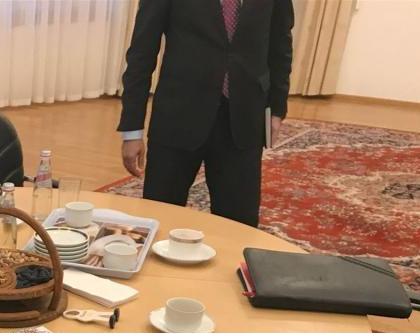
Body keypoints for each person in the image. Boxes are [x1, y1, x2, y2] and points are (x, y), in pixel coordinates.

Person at [117, 0, 294, 227]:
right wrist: (132, 129)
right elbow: (142, 52)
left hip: (243, 119)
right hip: (178, 117)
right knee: (160, 220)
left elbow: (281, 45)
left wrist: (277, 108)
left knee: (239, 226)